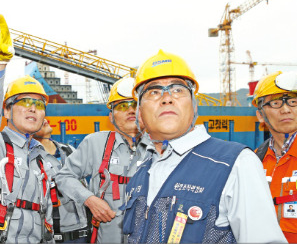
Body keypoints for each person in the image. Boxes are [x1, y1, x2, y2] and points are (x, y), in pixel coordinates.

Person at [120, 49, 288, 243]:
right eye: (154, 92)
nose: (167, 98)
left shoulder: (236, 164)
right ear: (139, 114)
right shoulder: (139, 174)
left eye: (178, 89)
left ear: (194, 106)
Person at [0, 14, 54, 243]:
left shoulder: (42, 160)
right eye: (24, 102)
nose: (33, 109)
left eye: (39, 104)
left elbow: (48, 218)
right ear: (6, 111)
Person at [55, 77, 150, 243]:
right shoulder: (95, 143)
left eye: (136, 105)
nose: (130, 110)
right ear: (111, 116)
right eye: (122, 106)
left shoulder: (161, 147)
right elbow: (64, 176)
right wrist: (89, 199)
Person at [252, 70, 297, 243]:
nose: (286, 109)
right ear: (260, 115)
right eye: (276, 103)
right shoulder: (254, 160)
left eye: (293, 102)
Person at [33, 118, 89, 243]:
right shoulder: (31, 159)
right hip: (53, 236)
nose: (44, 119)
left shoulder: (68, 151)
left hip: (82, 232)